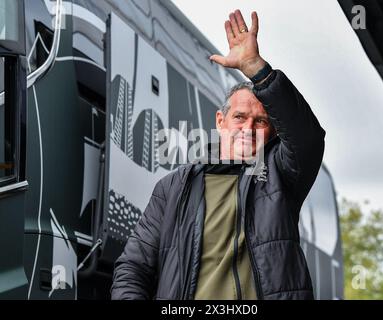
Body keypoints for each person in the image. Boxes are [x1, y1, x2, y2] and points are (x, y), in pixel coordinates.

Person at [111, 9, 325, 300]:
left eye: (260, 122)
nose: (248, 128)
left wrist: (258, 70)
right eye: (239, 117)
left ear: (272, 133)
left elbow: (308, 139)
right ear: (220, 122)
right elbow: (133, 267)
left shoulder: (280, 176)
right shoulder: (173, 188)